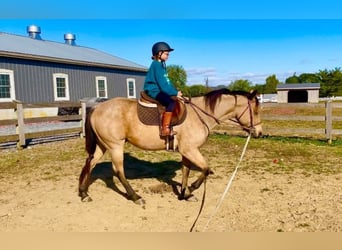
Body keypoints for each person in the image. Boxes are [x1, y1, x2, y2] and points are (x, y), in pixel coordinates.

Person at [144, 41, 182, 137]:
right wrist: (175, 93)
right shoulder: (156, 65)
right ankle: (165, 129)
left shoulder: (161, 66)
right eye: (166, 54)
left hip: (158, 89)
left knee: (173, 98)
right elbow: (163, 85)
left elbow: (167, 83)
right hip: (153, 90)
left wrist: (175, 92)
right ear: (159, 53)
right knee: (171, 102)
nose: (168, 56)